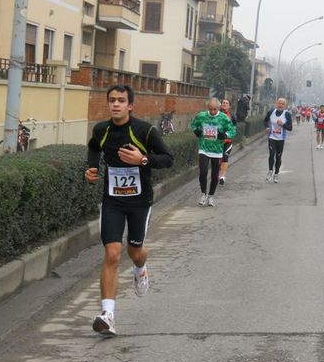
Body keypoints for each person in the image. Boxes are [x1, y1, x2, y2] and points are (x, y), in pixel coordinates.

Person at [85, 84, 174, 336]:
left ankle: (140, 269)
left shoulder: (145, 131)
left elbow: (168, 158)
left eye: (121, 100)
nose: (115, 104)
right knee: (112, 253)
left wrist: (143, 160)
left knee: (135, 251)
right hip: (112, 200)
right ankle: (108, 315)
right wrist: (92, 168)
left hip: (139, 201)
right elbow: (93, 147)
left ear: (130, 105)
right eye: (112, 99)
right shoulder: (101, 130)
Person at [191, 98, 236, 206]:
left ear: (218, 108)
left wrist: (225, 135)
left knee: (215, 175)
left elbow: (232, 130)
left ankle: (211, 195)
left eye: (214, 109)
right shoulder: (201, 116)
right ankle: (203, 194)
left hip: (217, 150)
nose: (212, 112)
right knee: (203, 173)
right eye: (210, 109)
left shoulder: (223, 118)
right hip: (204, 148)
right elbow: (194, 124)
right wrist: (197, 131)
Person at [263, 97, 293, 183]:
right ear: (276, 104)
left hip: (281, 139)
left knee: (278, 157)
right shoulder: (271, 112)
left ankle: (276, 174)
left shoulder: (287, 114)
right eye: (279, 103)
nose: (280, 105)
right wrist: (267, 127)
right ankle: (270, 171)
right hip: (272, 137)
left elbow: (290, 128)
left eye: (282, 104)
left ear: (285, 106)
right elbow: (265, 121)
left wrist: (283, 124)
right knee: (271, 154)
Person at [218, 98, 237, 185]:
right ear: (221, 105)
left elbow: (234, 127)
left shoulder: (232, 116)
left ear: (229, 106)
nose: (225, 104)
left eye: (226, 103)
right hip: (217, 142)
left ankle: (222, 176)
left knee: (225, 157)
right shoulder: (216, 114)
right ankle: (218, 174)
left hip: (228, 141)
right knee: (218, 159)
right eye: (223, 103)